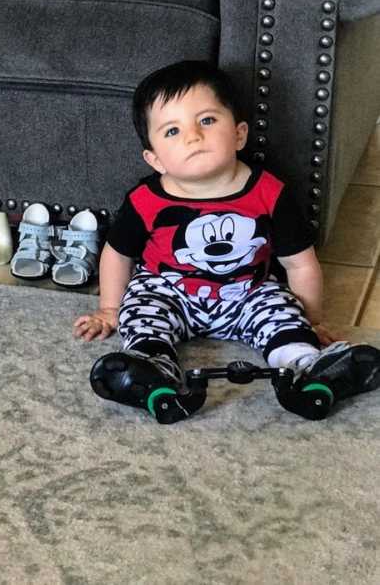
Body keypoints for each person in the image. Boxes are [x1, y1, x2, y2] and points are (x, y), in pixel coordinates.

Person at [72, 60, 380, 424]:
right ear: (155, 159)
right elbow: (117, 255)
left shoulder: (270, 193)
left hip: (247, 293)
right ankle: (152, 372)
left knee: (279, 309)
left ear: (239, 133)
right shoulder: (145, 200)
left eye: (206, 120)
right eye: (172, 130)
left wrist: (311, 319)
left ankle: (308, 368)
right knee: (142, 311)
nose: (193, 136)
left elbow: (300, 263)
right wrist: (110, 309)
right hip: (168, 291)